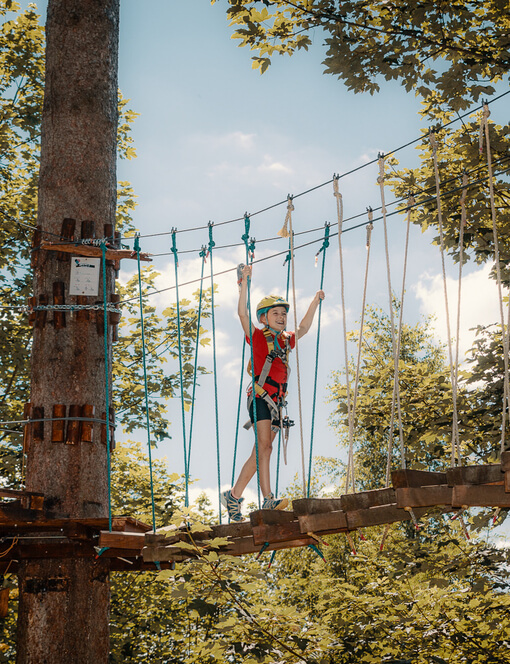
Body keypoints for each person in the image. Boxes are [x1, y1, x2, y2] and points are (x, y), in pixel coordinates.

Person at [221, 264, 325, 522]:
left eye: (283, 313)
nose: (281, 317)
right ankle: (268, 497)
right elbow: (243, 314)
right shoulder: (257, 336)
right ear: (264, 318)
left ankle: (233, 496)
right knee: (265, 448)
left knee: (260, 453)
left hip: (276, 403)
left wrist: (314, 302)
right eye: (275, 313)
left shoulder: (285, 339)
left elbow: (303, 328)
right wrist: (243, 283)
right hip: (259, 396)